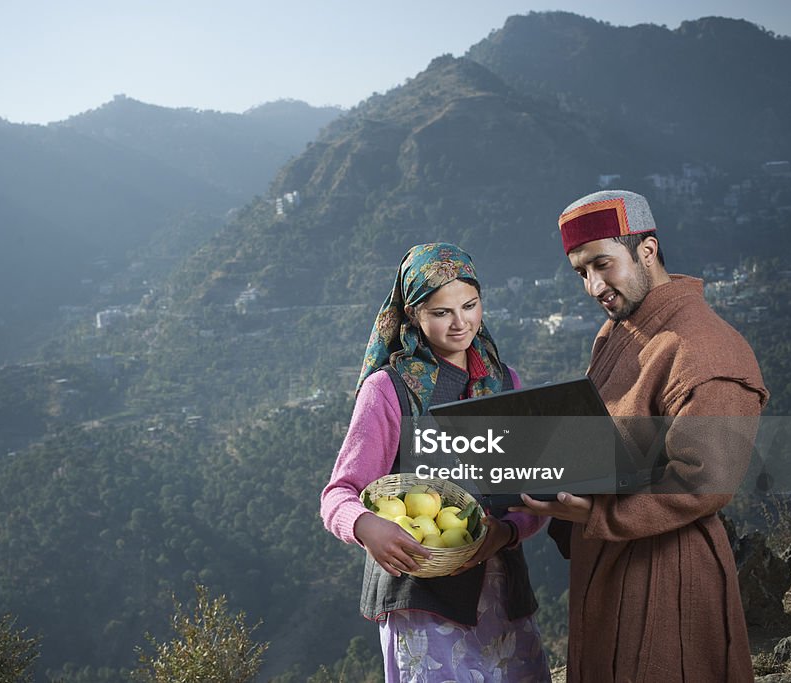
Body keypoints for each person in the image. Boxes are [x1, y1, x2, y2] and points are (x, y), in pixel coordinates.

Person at [513, 190, 768, 682]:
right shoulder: (622, 332)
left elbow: (705, 483)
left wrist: (597, 511)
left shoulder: (709, 351)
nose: (593, 286)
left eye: (602, 264)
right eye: (581, 272)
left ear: (646, 250)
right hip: (608, 565)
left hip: (666, 574)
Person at [321, 243, 551, 682]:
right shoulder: (388, 390)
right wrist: (366, 527)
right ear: (414, 315)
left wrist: (505, 531)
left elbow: (528, 494)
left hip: (503, 592)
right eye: (442, 312)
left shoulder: (506, 382)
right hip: (422, 600)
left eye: (470, 305)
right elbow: (339, 494)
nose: (460, 322)